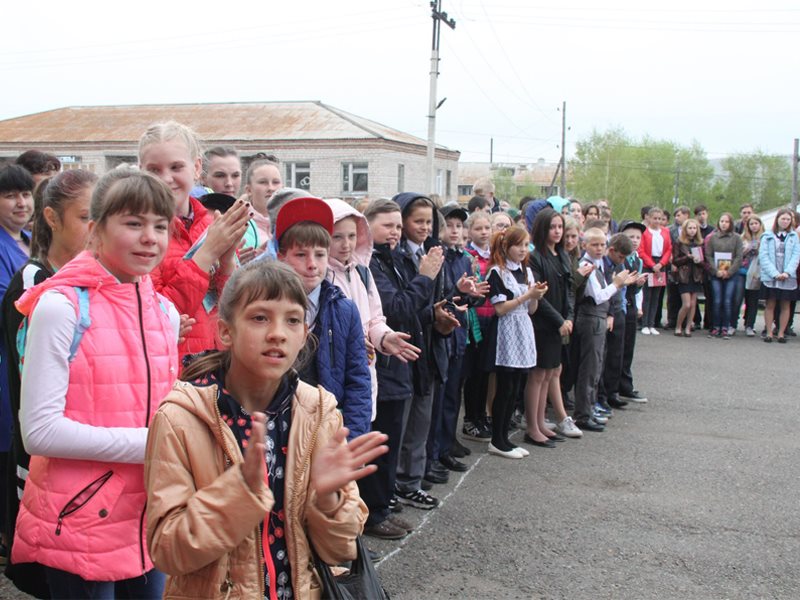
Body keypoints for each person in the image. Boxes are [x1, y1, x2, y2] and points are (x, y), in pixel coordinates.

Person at [144, 259, 388, 599]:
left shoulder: (320, 412)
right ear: (226, 331)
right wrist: (236, 495)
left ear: (305, 334)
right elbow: (169, 551)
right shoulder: (181, 418)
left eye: (292, 320)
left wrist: (329, 499)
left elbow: (340, 551)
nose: (277, 333)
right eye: (260, 318)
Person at [12, 169, 180, 598]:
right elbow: (40, 431)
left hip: (150, 514)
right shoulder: (61, 306)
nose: (150, 237)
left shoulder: (164, 312)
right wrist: (152, 444)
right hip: (82, 516)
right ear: (96, 229)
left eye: (160, 226)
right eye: (133, 223)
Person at [1, 170, 96, 598]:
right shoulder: (35, 282)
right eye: (86, 217)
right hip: (47, 446)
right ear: (53, 218)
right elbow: (35, 380)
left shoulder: (98, 279)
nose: (97, 228)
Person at [139, 121, 252, 358]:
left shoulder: (213, 223)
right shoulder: (140, 234)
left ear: (197, 167)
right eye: (154, 170)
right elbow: (158, 314)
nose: (166, 179)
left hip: (220, 364)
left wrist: (229, 259)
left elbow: (236, 306)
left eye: (176, 167)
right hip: (174, 369)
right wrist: (207, 254)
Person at [361, 199, 438, 530]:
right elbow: (396, 307)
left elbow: (413, 309)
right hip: (385, 367)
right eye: (386, 225)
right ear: (368, 228)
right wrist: (425, 278)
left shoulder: (392, 259)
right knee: (380, 444)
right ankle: (375, 514)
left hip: (400, 364)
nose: (394, 232)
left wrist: (439, 310)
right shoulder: (373, 264)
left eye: (396, 225)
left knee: (391, 442)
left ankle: (383, 506)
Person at [274, 197, 373, 440]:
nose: (312, 265)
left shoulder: (344, 310)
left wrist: (352, 440)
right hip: (277, 430)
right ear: (281, 257)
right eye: (300, 254)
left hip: (328, 431)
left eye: (320, 255)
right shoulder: (266, 307)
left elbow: (358, 380)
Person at [484, 226, 547, 458]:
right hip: (506, 331)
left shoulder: (526, 271)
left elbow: (531, 309)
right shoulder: (496, 273)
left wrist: (536, 297)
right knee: (505, 386)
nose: (523, 250)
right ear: (506, 246)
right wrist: (527, 296)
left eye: (526, 245)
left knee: (516, 387)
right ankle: (497, 440)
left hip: (523, 328)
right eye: (518, 245)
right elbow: (500, 309)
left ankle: (505, 439)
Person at [526, 208, 583, 445]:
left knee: (550, 372)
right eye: (553, 227)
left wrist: (568, 317)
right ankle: (533, 427)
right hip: (543, 323)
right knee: (538, 374)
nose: (558, 231)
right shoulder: (536, 257)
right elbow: (540, 297)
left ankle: (541, 421)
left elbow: (569, 290)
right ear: (542, 229)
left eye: (560, 227)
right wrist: (559, 320)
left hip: (560, 323)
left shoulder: (562, 256)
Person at [571, 230, 636, 431]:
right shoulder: (586, 266)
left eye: (602, 245)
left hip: (598, 318)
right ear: (584, 246)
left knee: (596, 367)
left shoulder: (597, 267)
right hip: (590, 318)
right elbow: (597, 296)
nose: (599, 249)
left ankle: (589, 409)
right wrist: (617, 284)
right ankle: (583, 413)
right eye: (594, 245)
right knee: (589, 369)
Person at [462, 211, 494, 442]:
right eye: (478, 228)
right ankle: (470, 419)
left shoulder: (495, 256)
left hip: (492, 317)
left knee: (485, 372)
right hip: (474, 320)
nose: (483, 232)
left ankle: (481, 415)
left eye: (486, 228)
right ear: (470, 231)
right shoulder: (468, 256)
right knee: (472, 374)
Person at [617, 221, 648, 405]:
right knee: (617, 349)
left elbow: (634, 290)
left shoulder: (638, 260)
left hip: (630, 305)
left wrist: (638, 287)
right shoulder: (620, 259)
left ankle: (626, 385)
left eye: (638, 237)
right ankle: (614, 386)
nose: (635, 241)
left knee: (629, 346)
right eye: (631, 237)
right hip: (619, 305)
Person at [758, 208, 800, 343]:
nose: (785, 221)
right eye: (783, 219)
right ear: (777, 219)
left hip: (788, 275)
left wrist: (787, 272)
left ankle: (781, 333)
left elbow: (796, 256)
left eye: (788, 219)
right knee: (770, 304)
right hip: (772, 276)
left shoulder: (794, 236)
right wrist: (775, 274)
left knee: (785, 305)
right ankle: (769, 332)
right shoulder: (767, 236)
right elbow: (763, 256)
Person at [704, 213, 743, 339]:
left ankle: (725, 327)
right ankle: (715, 327)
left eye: (726, 221)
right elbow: (708, 255)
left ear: (731, 223)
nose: (724, 224)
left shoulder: (736, 238)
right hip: (716, 274)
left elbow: (739, 257)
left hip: (731, 274)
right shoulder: (713, 238)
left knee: (727, 301)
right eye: (722, 221)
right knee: (717, 300)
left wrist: (729, 272)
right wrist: (716, 271)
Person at [639, 207, 671, 334]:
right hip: (649, 264)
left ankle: (652, 324)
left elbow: (669, 249)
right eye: (655, 218)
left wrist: (661, 263)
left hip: (661, 263)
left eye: (660, 219)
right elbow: (641, 251)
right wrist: (652, 265)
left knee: (656, 296)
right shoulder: (645, 232)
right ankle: (644, 324)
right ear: (649, 218)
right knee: (647, 295)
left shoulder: (665, 232)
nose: (657, 221)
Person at [672, 218, 705, 337]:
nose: (692, 230)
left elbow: (704, 262)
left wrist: (698, 260)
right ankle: (678, 326)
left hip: (696, 275)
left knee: (693, 304)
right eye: (690, 228)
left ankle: (688, 327)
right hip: (683, 276)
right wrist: (687, 257)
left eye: (694, 228)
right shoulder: (679, 242)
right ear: (685, 229)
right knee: (686, 304)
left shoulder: (700, 243)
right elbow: (675, 260)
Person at [242, 157, 283, 250]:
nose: (271, 188)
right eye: (263, 182)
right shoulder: (239, 226)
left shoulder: (291, 224)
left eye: (276, 182)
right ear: (249, 190)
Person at [666, 206, 691, 329]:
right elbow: (668, 247)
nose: (676, 218)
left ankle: (688, 321)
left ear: (687, 215)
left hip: (689, 267)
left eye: (679, 215)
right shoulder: (669, 230)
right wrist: (672, 262)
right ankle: (671, 319)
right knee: (672, 293)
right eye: (675, 215)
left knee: (687, 296)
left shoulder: (692, 229)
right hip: (673, 263)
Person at [739, 216, 764, 336]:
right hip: (743, 271)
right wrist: (746, 249)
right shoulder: (742, 238)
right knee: (738, 298)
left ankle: (750, 325)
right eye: (751, 224)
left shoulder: (765, 237)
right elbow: (737, 254)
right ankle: (733, 323)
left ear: (760, 225)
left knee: (753, 300)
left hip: (756, 273)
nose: (754, 226)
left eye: (756, 223)